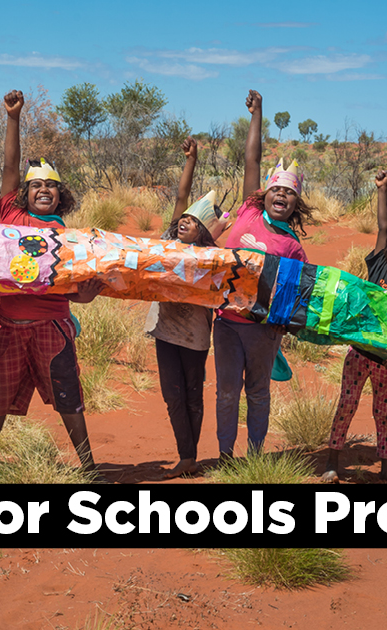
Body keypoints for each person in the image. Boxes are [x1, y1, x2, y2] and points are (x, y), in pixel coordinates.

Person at [0, 90, 104, 482]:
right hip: (8, 327)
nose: (43, 190)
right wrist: (13, 118)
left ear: (61, 194)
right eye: (36, 185)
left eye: (51, 187)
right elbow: (9, 166)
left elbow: (73, 286)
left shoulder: (68, 235)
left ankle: (89, 468)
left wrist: (83, 297)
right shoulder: (12, 214)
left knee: (69, 399)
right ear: (24, 192)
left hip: (52, 329)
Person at [213, 90, 313, 459]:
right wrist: (258, 114)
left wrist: (282, 326)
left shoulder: (292, 247)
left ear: (295, 202)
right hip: (225, 321)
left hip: (261, 330)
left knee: (257, 392)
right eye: (276, 190)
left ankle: (254, 457)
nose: (281, 196)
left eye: (289, 193)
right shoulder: (248, 214)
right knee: (226, 393)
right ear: (265, 194)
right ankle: (225, 455)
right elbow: (251, 160)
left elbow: (295, 293)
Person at [322, 170, 387, 484]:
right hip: (359, 352)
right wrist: (382, 190)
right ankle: (332, 463)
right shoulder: (379, 266)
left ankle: (386, 470)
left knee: (383, 413)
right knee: (347, 404)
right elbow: (383, 226)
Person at [146, 136, 221, 478]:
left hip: (194, 335)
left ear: (202, 229)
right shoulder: (169, 244)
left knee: (193, 394)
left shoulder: (210, 258)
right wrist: (191, 160)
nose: (183, 222)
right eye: (182, 219)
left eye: (191, 221)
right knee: (171, 395)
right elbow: (180, 197)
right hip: (166, 330)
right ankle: (186, 455)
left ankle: (190, 458)